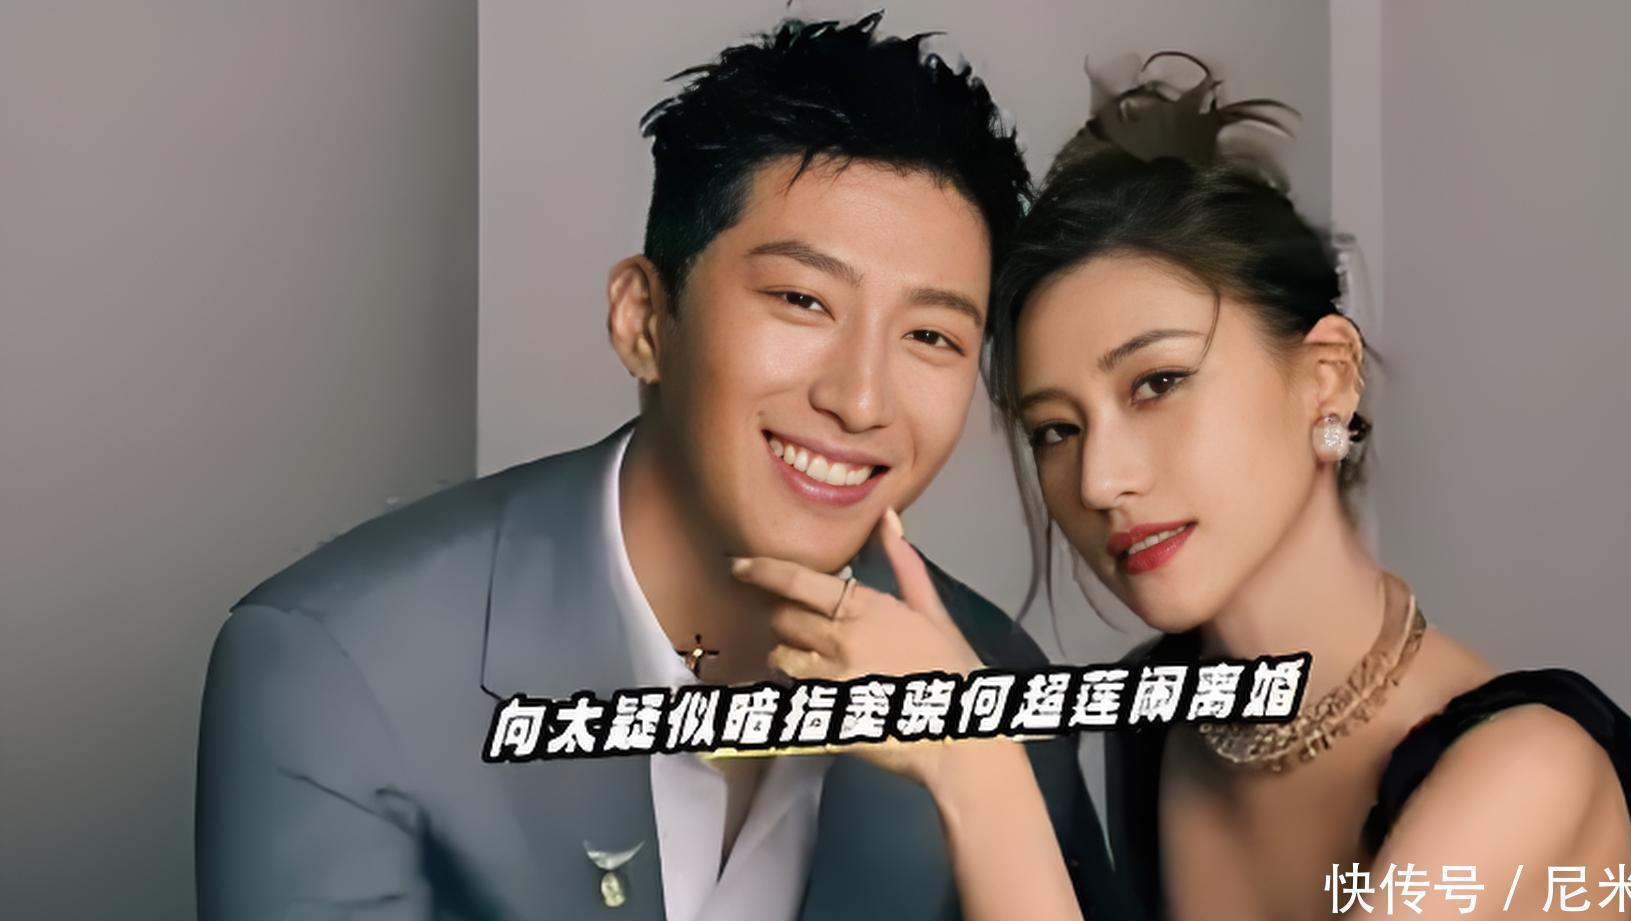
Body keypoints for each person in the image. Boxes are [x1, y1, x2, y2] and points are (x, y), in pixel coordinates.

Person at [195, 15, 1125, 921]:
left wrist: (978, 771)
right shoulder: (340, 666)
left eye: (931, 336)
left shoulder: (993, 677)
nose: (861, 399)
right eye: (802, 299)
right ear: (644, 319)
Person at [743, 56, 1631, 920]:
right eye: (1056, 430)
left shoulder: (1529, 773)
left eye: (1158, 383)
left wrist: (975, 765)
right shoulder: (1158, 729)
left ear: (1327, 380)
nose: (1101, 479)